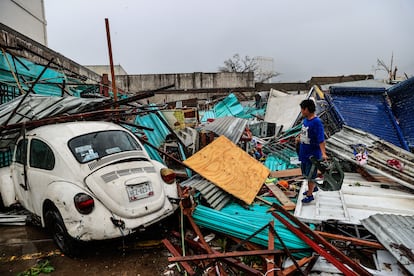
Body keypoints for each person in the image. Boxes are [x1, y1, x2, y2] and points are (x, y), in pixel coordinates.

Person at [295, 99, 327, 203]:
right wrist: (299, 138)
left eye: (302, 109)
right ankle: (313, 188)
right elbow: (305, 132)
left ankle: (310, 195)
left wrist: (323, 153)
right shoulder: (305, 120)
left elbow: (321, 139)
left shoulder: (316, 122)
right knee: (305, 172)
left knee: (310, 175)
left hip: (312, 154)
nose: (301, 111)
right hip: (304, 152)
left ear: (307, 109)